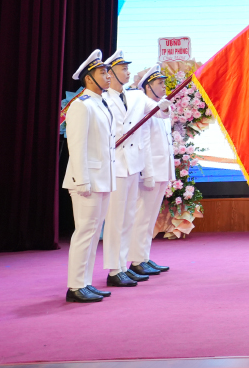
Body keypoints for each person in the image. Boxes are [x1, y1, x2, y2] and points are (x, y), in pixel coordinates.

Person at [102, 50, 169, 287]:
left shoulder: (135, 97)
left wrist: (164, 106)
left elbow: (159, 111)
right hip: (116, 166)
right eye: (123, 69)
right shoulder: (103, 99)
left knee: (128, 218)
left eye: (128, 68)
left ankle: (123, 266)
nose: (128, 72)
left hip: (132, 165)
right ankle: (114, 269)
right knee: (115, 220)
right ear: (110, 73)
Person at [63, 50, 116, 302]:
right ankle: (75, 286)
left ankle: (85, 282)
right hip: (87, 180)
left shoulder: (100, 103)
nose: (108, 76)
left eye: (108, 72)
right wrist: (82, 180)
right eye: (102, 73)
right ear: (88, 78)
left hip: (102, 178)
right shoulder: (81, 105)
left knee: (94, 234)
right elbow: (77, 146)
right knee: (85, 232)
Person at [127, 65, 173, 277]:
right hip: (151, 172)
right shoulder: (144, 111)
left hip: (162, 170)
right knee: (142, 216)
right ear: (147, 87)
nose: (163, 87)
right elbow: (144, 144)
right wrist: (148, 173)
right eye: (159, 83)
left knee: (150, 217)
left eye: (164, 83)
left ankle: (143, 257)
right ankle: (136, 260)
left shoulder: (160, 109)